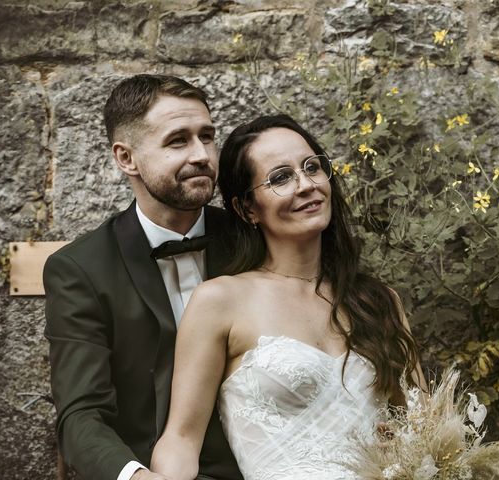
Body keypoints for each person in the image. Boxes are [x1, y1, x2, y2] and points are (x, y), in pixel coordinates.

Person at [150, 114, 425, 480]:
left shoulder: (378, 301)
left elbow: (426, 428)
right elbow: (182, 440)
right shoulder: (220, 301)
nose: (306, 184)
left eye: (312, 167)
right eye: (281, 177)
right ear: (247, 209)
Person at [43, 74, 242, 480]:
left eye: (207, 136)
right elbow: (81, 414)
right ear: (126, 158)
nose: (202, 154)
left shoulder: (250, 241)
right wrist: (136, 477)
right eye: (177, 140)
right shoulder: (80, 269)